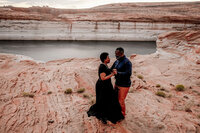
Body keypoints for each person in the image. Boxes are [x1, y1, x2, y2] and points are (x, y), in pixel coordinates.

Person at [87, 52, 124, 124]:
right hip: (102, 86)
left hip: (106, 85)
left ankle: (108, 113)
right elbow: (103, 78)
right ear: (104, 59)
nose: (109, 59)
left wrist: (111, 70)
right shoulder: (102, 67)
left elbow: (107, 71)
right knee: (103, 100)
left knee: (108, 100)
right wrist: (112, 74)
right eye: (108, 58)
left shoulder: (105, 65)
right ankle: (103, 116)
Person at [111, 47, 132, 118]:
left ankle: (122, 115)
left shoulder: (127, 62)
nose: (116, 55)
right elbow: (111, 69)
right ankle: (116, 112)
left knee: (121, 100)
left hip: (124, 84)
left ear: (122, 53)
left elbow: (128, 73)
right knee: (115, 98)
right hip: (117, 83)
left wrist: (118, 73)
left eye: (117, 54)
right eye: (115, 54)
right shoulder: (117, 61)